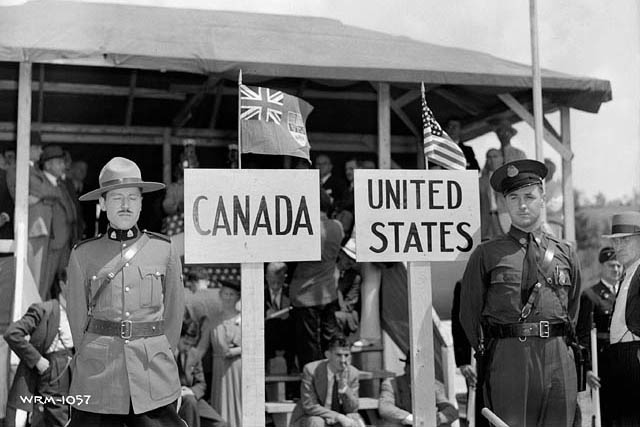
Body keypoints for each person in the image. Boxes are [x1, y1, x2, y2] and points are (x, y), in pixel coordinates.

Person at [460, 159, 581, 427]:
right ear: (504, 203)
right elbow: (469, 314)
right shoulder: (486, 254)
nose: (522, 204)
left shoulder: (566, 252)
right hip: (509, 358)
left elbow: (573, 310)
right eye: (513, 198)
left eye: (529, 196)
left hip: (558, 356)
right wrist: (492, 354)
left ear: (543, 198)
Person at [65, 156, 185, 426]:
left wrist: (160, 352)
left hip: (152, 374)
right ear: (103, 204)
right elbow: (76, 321)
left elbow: (175, 316)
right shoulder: (83, 255)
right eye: (117, 198)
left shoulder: (164, 250)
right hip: (99, 376)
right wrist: (93, 352)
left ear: (141, 203)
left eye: (132, 197)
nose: (125, 205)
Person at [4, 270, 73, 427]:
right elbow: (12, 333)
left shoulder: (79, 312)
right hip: (54, 369)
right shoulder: (44, 309)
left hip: (73, 368)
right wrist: (37, 360)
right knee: (57, 418)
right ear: (62, 285)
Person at [290, 190, 344, 368]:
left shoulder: (307, 228)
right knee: (328, 340)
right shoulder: (337, 226)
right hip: (328, 290)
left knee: (309, 346)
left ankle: (312, 385)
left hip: (305, 293)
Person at [597, 212, 640, 425]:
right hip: (620, 359)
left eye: (625, 240)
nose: (619, 246)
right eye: (616, 241)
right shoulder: (627, 274)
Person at [575, 246, 622, 426]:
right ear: (601, 266)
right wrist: (586, 368)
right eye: (611, 265)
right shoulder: (590, 295)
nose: (616, 269)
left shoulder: (627, 292)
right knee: (605, 414)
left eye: (618, 265)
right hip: (603, 363)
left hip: (627, 362)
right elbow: (583, 335)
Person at [290, 335, 365, 427]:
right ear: (328, 355)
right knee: (317, 422)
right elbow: (309, 406)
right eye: (338, 355)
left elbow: (352, 409)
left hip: (338, 419)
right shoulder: (311, 370)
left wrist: (345, 389)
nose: (343, 360)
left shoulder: (353, 373)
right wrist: (338, 416)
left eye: (346, 355)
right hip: (311, 417)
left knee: (354, 419)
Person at [196, 279, 242, 427]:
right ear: (220, 296)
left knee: (240, 401)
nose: (228, 297)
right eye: (225, 294)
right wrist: (188, 362)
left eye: (232, 294)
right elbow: (202, 347)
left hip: (239, 367)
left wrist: (236, 351)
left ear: (238, 297)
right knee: (222, 402)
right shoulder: (213, 320)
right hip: (220, 368)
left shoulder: (246, 319)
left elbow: (255, 345)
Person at [38, 145, 78, 299]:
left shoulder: (61, 183)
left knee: (67, 283)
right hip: (51, 242)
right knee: (44, 284)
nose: (63, 165)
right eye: (59, 162)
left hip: (65, 241)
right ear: (48, 165)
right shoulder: (42, 183)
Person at [175, 319, 228, 427]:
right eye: (185, 343)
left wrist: (191, 391)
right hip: (172, 399)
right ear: (178, 338)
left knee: (220, 424)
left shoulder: (194, 354)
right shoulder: (167, 353)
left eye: (191, 345)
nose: (187, 348)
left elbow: (202, 384)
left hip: (191, 396)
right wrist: (178, 392)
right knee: (190, 403)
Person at [378, 357, 459, 426]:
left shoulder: (432, 384)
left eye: (419, 367)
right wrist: (410, 418)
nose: (415, 370)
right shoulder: (391, 384)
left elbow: (451, 410)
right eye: (412, 366)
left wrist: (437, 418)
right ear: (406, 368)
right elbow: (385, 408)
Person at [264, 262, 295, 372]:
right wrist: (264, 316)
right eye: (272, 279)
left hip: (288, 341)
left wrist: (289, 317)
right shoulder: (259, 293)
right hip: (266, 343)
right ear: (266, 277)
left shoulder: (292, 293)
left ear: (285, 277)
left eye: (279, 279)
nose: (276, 283)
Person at [334, 238, 361, 338]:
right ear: (340, 254)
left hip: (339, 312)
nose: (350, 262)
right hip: (322, 309)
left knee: (345, 317)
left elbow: (350, 302)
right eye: (348, 257)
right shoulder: (327, 270)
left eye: (354, 260)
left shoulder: (355, 277)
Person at [478, 148, 507, 240]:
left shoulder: (508, 179)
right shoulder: (480, 181)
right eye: (489, 157)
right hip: (486, 219)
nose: (492, 160)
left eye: (495, 156)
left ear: (502, 159)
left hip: (504, 217)